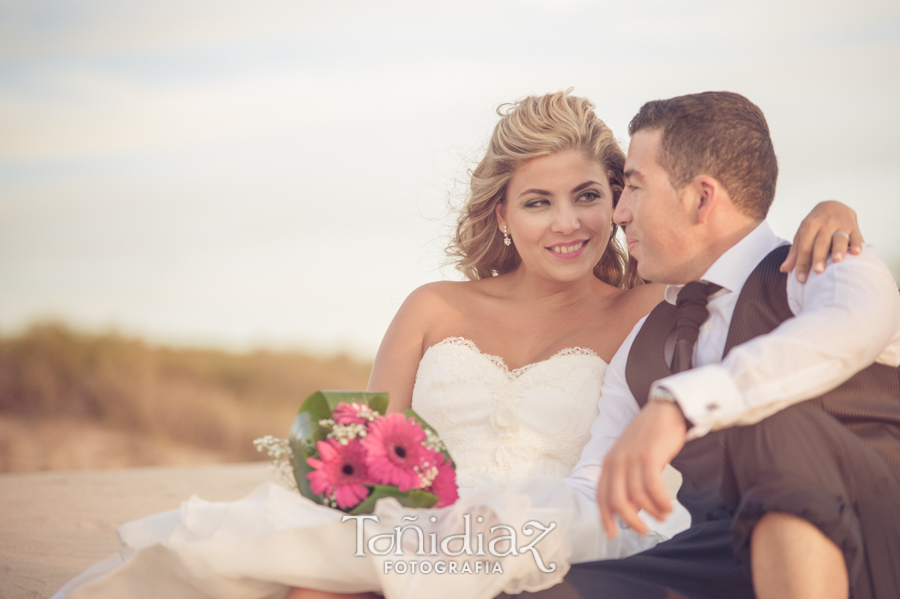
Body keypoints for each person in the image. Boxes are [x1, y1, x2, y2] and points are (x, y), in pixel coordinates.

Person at [52, 91, 863, 599]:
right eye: (538, 202)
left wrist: (833, 210)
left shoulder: (652, 310)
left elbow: (744, 267)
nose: (570, 222)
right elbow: (357, 453)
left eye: (590, 195)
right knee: (298, 579)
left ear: (620, 199)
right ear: (501, 215)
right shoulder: (432, 308)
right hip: (420, 525)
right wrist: (387, 509)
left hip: (549, 533)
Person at [525, 92, 900, 599]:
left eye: (633, 187)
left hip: (872, 542)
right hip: (717, 560)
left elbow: (853, 326)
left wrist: (682, 405)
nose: (618, 214)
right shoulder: (642, 346)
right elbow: (594, 493)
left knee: (775, 423)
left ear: (701, 197)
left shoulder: (826, 265)